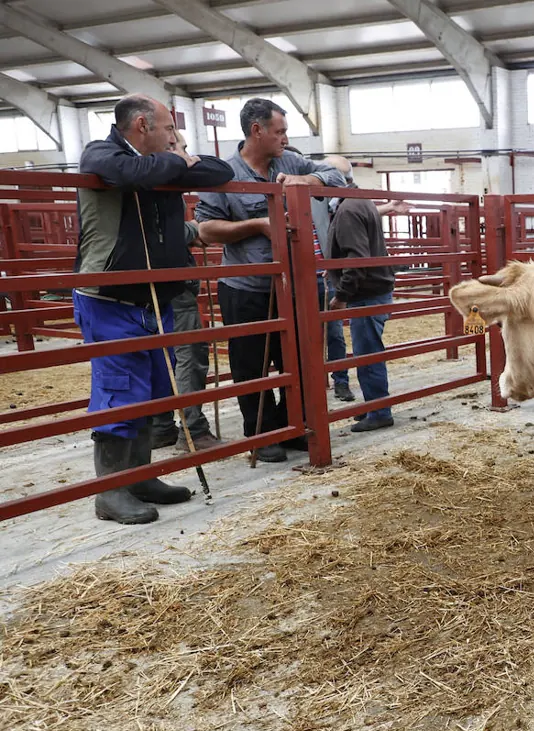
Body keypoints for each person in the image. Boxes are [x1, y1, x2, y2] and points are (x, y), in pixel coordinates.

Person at [74, 94, 234, 524]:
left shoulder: (159, 162)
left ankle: (139, 476)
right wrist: (182, 160)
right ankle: (109, 491)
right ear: (142, 125)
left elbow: (220, 171)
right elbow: (124, 173)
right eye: (168, 129)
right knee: (119, 389)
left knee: (150, 388)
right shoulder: (102, 152)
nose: (175, 138)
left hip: (151, 296)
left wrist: (177, 160)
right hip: (110, 296)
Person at [194, 98, 345, 463]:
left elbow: (337, 175)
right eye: (279, 131)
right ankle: (261, 434)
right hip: (247, 286)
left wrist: (305, 179)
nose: (285, 137)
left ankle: (293, 427)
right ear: (256, 130)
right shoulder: (222, 174)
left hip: (292, 284)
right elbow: (206, 229)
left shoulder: (290, 161)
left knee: (294, 359)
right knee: (251, 364)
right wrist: (258, 225)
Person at [151, 128, 221, 451]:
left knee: (161, 352)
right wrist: (193, 230)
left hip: (157, 282)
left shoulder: (151, 177)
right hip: (172, 280)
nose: (187, 154)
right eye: (178, 146)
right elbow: (156, 231)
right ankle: (192, 428)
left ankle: (162, 424)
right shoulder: (151, 180)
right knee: (188, 352)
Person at [324, 155, 399, 433]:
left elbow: (357, 258)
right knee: (368, 348)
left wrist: (342, 294)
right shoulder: (361, 201)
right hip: (375, 288)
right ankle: (373, 406)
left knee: (368, 351)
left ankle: (379, 410)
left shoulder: (347, 210)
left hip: (366, 292)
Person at [285, 145, 352, 404]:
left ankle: (341, 381)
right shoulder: (273, 198)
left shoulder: (319, 196)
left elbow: (343, 212)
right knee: (300, 334)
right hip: (295, 278)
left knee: (334, 332)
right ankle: (305, 385)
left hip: (324, 273)